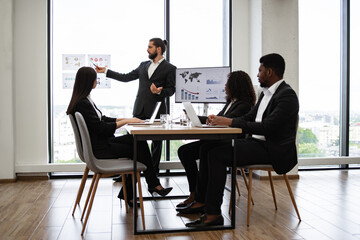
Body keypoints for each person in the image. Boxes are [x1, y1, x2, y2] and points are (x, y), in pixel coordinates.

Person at [179, 53, 299, 227]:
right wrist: (229, 121)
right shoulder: (266, 95)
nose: (257, 75)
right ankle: (203, 202)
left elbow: (268, 127)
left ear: (270, 72)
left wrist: (230, 121)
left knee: (216, 154)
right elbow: (249, 117)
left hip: (271, 149)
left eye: (260, 70)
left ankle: (213, 215)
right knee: (207, 149)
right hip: (256, 144)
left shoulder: (287, 96)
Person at [66, 67, 172, 207]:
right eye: (94, 78)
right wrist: (127, 121)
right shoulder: (83, 103)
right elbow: (101, 127)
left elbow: (102, 119)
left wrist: (127, 118)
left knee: (137, 142)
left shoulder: (83, 100)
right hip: (101, 149)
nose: (96, 81)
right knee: (139, 147)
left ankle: (138, 190)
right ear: (88, 81)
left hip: (100, 144)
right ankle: (150, 185)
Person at [95, 38, 176, 178]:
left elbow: (171, 90)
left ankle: (153, 174)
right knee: (132, 141)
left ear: (158, 49)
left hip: (157, 111)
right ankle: (127, 174)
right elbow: (126, 77)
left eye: (150, 47)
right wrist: (106, 71)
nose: (147, 49)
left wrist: (160, 92)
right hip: (140, 109)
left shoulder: (170, 68)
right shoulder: (143, 65)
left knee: (157, 145)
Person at [176, 70, 256, 209]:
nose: (225, 86)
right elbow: (215, 120)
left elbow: (225, 122)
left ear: (235, 85)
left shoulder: (244, 105)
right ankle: (195, 193)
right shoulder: (231, 102)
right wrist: (196, 117)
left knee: (203, 150)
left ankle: (201, 197)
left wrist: (213, 120)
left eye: (227, 83)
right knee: (184, 151)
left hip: (228, 142)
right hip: (217, 139)